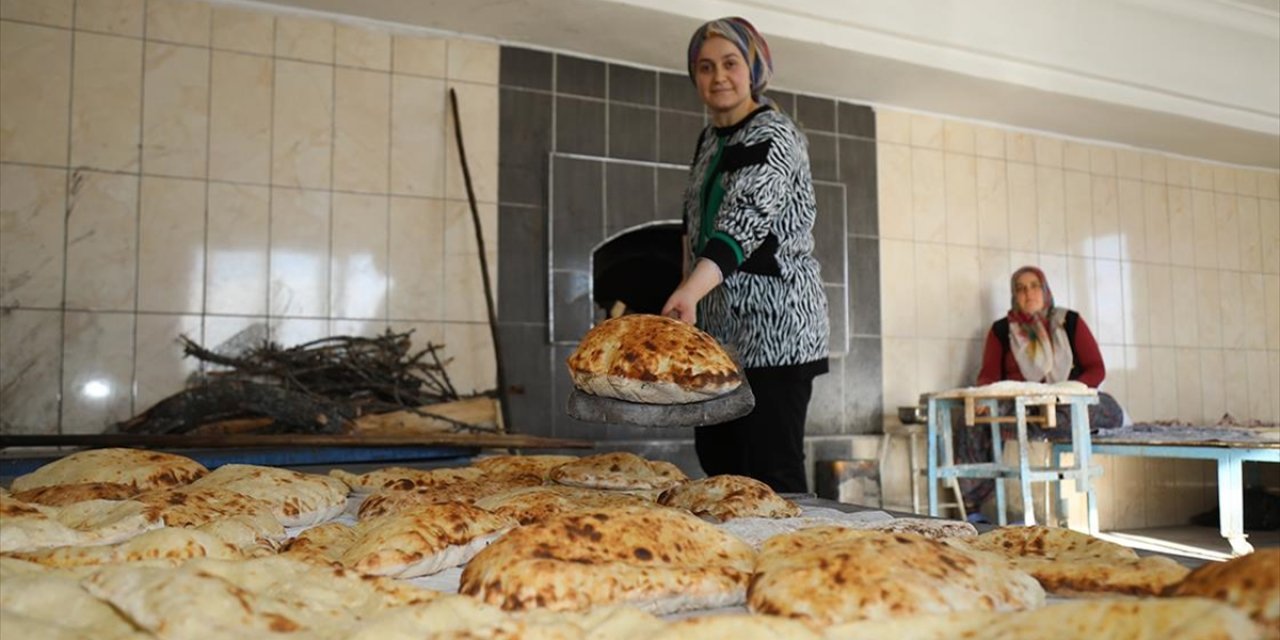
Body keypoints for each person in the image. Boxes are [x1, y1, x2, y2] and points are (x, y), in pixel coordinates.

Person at [661, 17, 829, 494]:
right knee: (720, 468)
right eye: (705, 66)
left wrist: (690, 289)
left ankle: (793, 566)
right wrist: (685, 306)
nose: (718, 77)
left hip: (777, 335)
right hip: (719, 338)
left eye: (730, 64)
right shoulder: (710, 139)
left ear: (754, 68)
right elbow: (693, 227)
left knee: (771, 474)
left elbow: (747, 219)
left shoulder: (775, 133)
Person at [955, 265, 1125, 516]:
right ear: (1014, 296)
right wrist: (984, 394)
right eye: (1021, 288)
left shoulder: (1068, 322)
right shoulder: (1002, 331)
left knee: (1106, 408)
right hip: (1022, 408)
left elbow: (1095, 369)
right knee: (974, 419)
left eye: (1034, 285)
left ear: (1045, 290)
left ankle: (1051, 423)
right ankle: (973, 508)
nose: (1028, 293)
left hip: (1066, 403)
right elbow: (989, 374)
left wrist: (1065, 393)